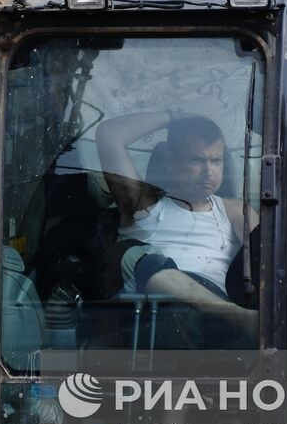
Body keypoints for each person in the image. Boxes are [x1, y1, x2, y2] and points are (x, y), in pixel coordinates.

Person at [95, 109, 256, 337]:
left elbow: (266, 256)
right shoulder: (144, 206)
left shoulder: (232, 210)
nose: (208, 172)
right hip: (151, 312)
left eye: (216, 161)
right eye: (196, 160)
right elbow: (109, 134)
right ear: (170, 161)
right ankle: (234, 315)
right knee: (138, 256)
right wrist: (173, 115)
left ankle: (233, 315)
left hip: (211, 320)